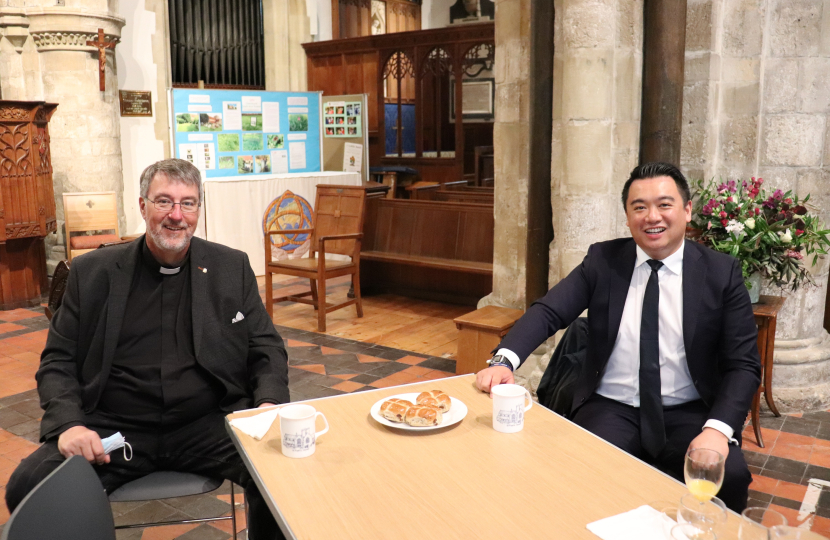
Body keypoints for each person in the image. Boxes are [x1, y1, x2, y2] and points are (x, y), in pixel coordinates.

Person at [6, 159, 289, 539]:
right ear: (142, 206)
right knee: (29, 486)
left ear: (198, 209)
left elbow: (265, 345)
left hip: (207, 423)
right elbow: (58, 360)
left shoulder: (230, 267)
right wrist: (70, 425)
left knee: (284, 469)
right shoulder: (93, 273)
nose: (176, 215)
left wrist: (268, 404)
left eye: (188, 203)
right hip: (115, 427)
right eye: (164, 201)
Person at [476, 162, 760, 512]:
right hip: (611, 406)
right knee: (577, 473)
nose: (652, 216)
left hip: (689, 411)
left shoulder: (720, 272)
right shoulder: (603, 260)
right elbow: (550, 311)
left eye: (664, 204)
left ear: (687, 210)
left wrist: (717, 430)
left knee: (729, 476)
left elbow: (743, 365)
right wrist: (503, 361)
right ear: (627, 217)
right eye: (639, 207)